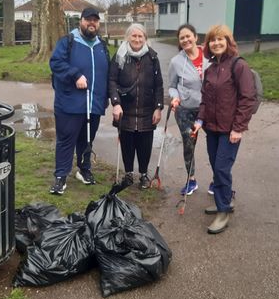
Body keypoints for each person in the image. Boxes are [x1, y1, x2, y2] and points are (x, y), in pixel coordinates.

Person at [192, 24, 257, 234]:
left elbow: (248, 99)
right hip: (211, 129)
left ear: (229, 42)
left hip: (230, 130)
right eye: (213, 40)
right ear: (208, 44)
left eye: (221, 39)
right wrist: (199, 121)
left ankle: (224, 211)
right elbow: (204, 100)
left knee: (221, 168)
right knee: (216, 166)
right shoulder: (210, 69)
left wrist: (238, 128)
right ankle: (224, 199)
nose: (216, 43)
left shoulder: (239, 66)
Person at [48, 7, 110, 195]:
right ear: (81, 21)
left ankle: (84, 170)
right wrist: (75, 75)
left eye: (95, 21)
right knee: (66, 140)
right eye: (88, 20)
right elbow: (56, 63)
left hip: (94, 104)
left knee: (87, 139)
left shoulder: (102, 45)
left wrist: (106, 96)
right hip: (69, 103)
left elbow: (107, 73)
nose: (92, 23)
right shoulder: (68, 41)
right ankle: (61, 176)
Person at [109, 23, 164, 189]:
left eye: (140, 36)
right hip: (125, 109)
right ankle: (128, 174)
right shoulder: (119, 57)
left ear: (145, 39)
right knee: (127, 143)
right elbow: (111, 81)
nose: (137, 39)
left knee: (144, 145)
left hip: (147, 110)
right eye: (134, 36)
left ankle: (144, 175)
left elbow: (159, 85)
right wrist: (116, 103)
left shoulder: (152, 58)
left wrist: (158, 107)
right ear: (128, 37)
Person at [168, 24, 211, 196]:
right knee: (189, 145)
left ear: (195, 37)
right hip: (185, 110)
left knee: (215, 145)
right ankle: (191, 180)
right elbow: (171, 86)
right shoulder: (176, 62)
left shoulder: (210, 57)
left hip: (209, 109)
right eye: (182, 38)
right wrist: (175, 97)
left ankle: (218, 182)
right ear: (179, 41)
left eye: (188, 36)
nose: (185, 40)